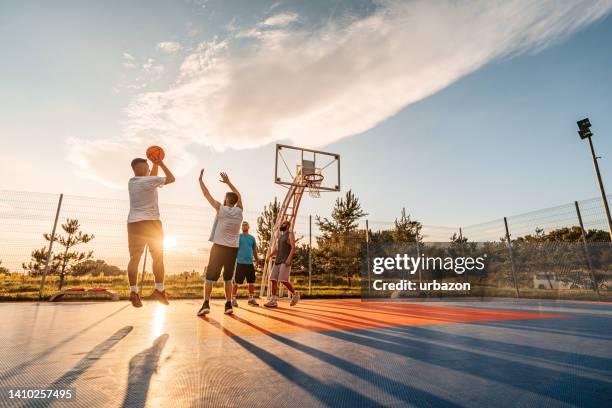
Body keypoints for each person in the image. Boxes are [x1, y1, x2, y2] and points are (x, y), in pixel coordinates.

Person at [127, 154, 175, 308]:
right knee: (158, 258)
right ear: (142, 168)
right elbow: (171, 178)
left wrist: (153, 164)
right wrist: (160, 162)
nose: (149, 170)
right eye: (147, 167)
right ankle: (159, 290)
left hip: (134, 223)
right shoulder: (147, 180)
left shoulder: (133, 181)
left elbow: (151, 177)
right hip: (152, 223)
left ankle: (133, 292)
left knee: (134, 258)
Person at [197, 169, 243, 316]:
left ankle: (206, 304)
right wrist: (228, 182)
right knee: (228, 278)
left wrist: (200, 181)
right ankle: (228, 305)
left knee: (210, 277)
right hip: (233, 249)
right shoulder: (239, 211)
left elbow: (206, 195)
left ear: (226, 200)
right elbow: (239, 195)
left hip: (219, 248)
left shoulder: (221, 209)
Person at [264, 220, 300, 307]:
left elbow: (293, 247)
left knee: (283, 280)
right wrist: (269, 256)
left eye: (283, 223)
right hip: (278, 260)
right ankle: (273, 300)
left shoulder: (290, 234)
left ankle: (295, 294)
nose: (281, 225)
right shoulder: (281, 236)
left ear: (288, 225)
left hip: (285, 260)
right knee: (273, 279)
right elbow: (277, 249)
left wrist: (289, 259)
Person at [231, 221, 260, 307]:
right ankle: (233, 299)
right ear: (241, 228)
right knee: (236, 282)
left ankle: (251, 298)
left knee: (251, 282)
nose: (244, 226)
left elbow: (254, 250)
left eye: (246, 224)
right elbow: (234, 249)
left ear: (248, 227)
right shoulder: (238, 237)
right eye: (243, 225)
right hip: (239, 262)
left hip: (250, 263)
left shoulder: (252, 238)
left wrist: (257, 260)